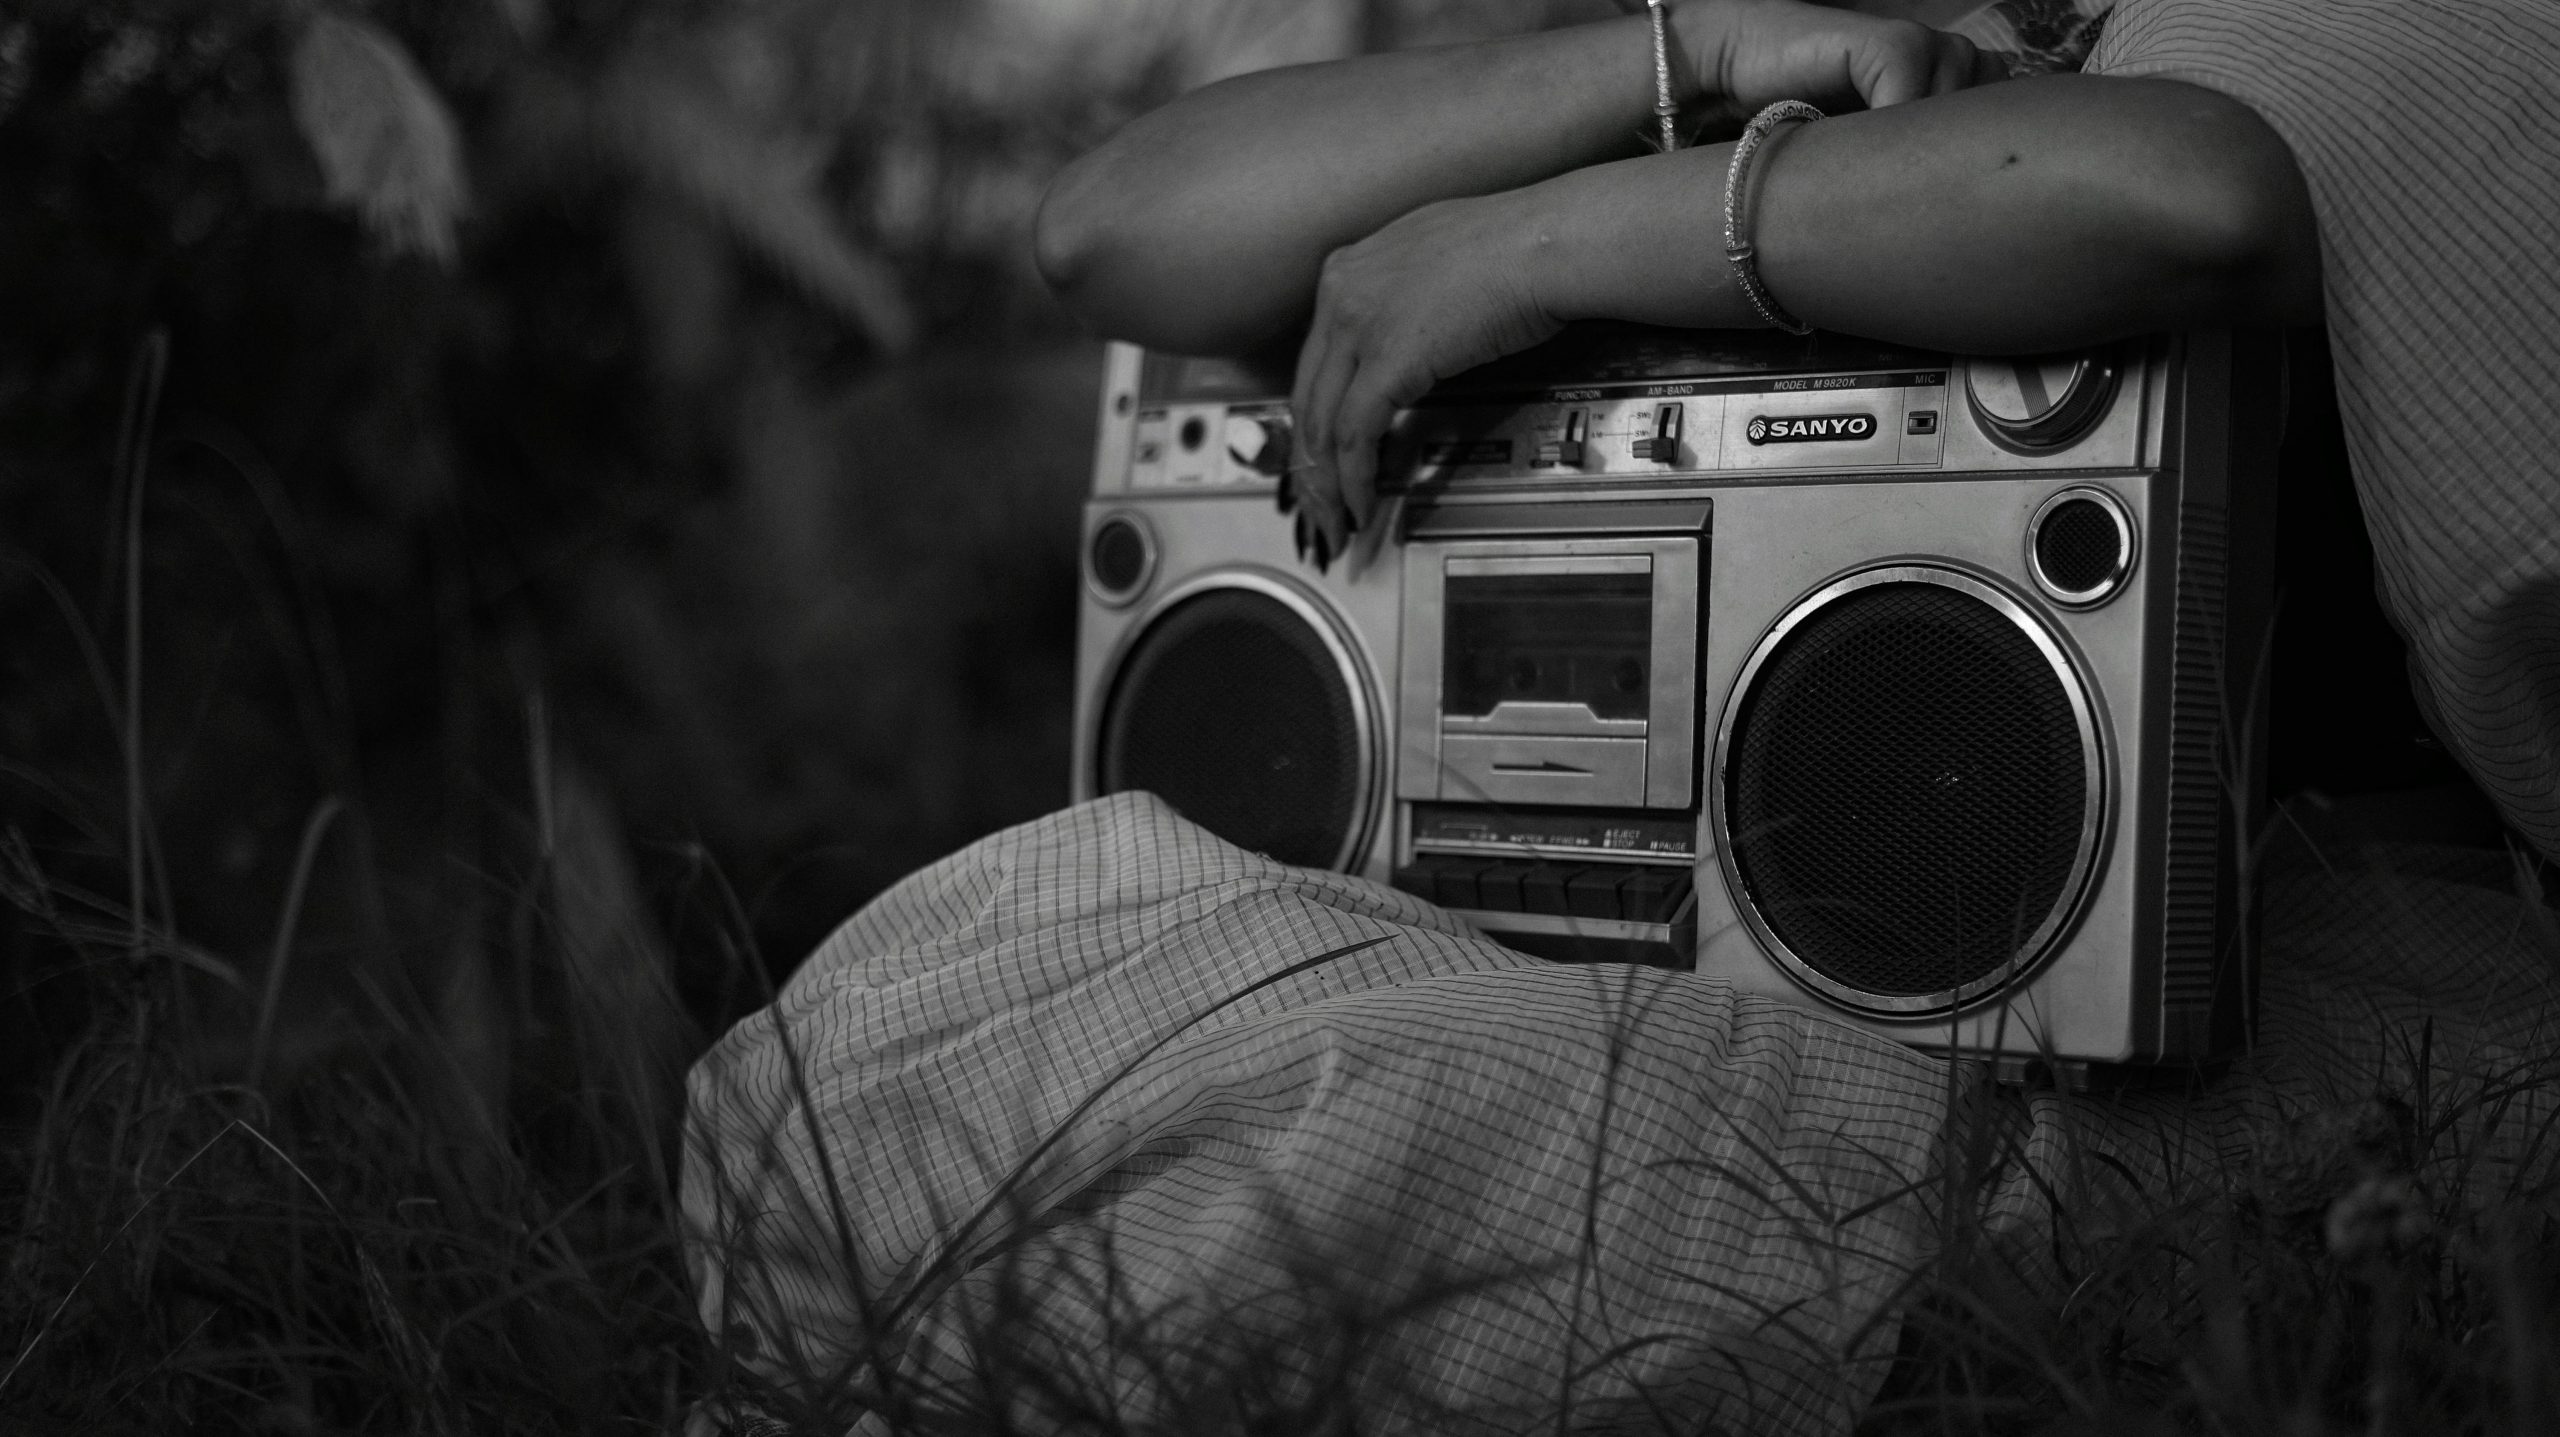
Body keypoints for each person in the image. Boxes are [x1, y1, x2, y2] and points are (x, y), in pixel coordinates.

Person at [682, 3, 2560, 1433]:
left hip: (2212, 1007)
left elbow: (2193, 192)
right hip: (1745, 941)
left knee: (1296, 1139)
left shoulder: (2251, 47)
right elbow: (1113, 230)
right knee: (883, 1038)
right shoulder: (1826, 51)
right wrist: (1693, 51)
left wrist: (1531, 249)